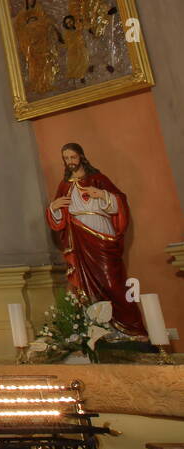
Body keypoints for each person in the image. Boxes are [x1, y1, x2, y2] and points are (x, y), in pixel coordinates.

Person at [45, 142, 146, 336]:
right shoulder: (64, 185)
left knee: (111, 281)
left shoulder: (97, 179)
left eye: (73, 157)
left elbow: (119, 202)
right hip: (77, 238)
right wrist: (54, 207)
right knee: (85, 286)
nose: (70, 162)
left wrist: (101, 194)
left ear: (81, 157)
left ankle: (130, 329)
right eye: (66, 158)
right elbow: (58, 221)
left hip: (101, 234)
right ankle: (98, 330)